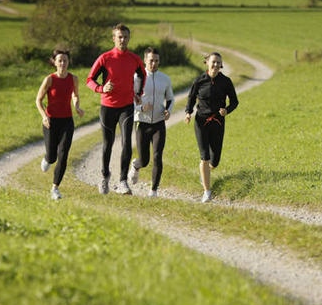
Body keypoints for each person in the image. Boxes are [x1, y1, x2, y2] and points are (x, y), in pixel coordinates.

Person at [86, 23, 146, 195]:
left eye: (125, 36)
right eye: (119, 37)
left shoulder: (135, 59)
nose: (123, 39)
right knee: (108, 144)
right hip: (108, 107)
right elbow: (89, 79)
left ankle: (122, 182)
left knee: (127, 143)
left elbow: (142, 75)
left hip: (126, 106)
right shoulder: (105, 58)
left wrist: (138, 92)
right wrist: (101, 88)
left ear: (129, 38)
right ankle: (104, 176)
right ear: (113, 38)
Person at [185, 51, 239, 203]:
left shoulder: (226, 81)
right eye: (213, 62)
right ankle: (207, 191)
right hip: (201, 122)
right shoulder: (199, 80)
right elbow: (191, 98)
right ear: (207, 63)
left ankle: (205, 174)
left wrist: (227, 110)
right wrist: (188, 113)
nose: (215, 65)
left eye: (218, 62)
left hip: (218, 122)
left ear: (221, 65)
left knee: (215, 161)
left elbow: (235, 101)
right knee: (205, 157)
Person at [35, 47, 84, 200]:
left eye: (65, 61)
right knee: (52, 156)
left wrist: (76, 106)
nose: (63, 63)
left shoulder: (73, 79)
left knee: (63, 155)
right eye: (60, 61)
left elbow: (75, 95)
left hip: (67, 121)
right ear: (55, 63)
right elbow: (38, 100)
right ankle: (47, 159)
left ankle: (55, 188)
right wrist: (44, 116)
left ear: (68, 62)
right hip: (51, 121)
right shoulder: (49, 79)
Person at [128, 47, 174, 197]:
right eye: (151, 60)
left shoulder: (165, 79)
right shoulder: (137, 78)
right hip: (142, 122)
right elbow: (130, 101)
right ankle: (136, 165)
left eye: (156, 61)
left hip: (159, 123)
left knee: (157, 156)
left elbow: (171, 99)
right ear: (145, 61)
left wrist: (168, 111)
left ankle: (153, 190)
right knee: (145, 160)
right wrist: (141, 108)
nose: (154, 63)